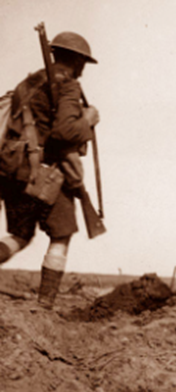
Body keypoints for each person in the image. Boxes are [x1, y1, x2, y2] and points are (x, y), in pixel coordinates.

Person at [0, 31, 100, 309]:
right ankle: (44, 306)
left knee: (20, 235)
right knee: (62, 234)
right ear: (78, 62)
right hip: (43, 175)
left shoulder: (28, 82)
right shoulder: (67, 87)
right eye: (82, 64)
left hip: (12, 171)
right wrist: (89, 119)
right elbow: (65, 131)